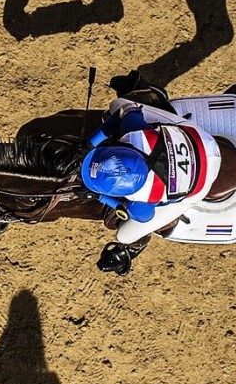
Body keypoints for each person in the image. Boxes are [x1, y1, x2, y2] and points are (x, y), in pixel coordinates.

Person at [81, 72, 223, 274]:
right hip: (202, 142)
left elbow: (134, 213)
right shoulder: (135, 136)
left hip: (202, 176)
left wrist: (93, 143)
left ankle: (132, 248)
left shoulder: (144, 201)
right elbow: (125, 109)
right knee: (118, 103)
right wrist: (101, 194)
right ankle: (146, 92)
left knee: (125, 237)